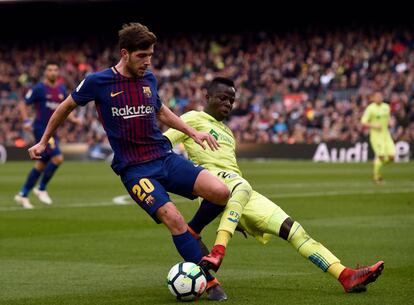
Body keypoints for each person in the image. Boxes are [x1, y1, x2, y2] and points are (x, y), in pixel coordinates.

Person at [27, 23, 229, 300]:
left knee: (221, 192)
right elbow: (65, 107)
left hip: (164, 157)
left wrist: (192, 132)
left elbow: (160, 110)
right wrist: (43, 141)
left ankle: (192, 233)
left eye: (150, 56)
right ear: (125, 53)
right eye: (142, 56)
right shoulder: (98, 82)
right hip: (135, 170)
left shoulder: (149, 79)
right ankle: (210, 280)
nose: (148, 62)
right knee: (173, 218)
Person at [164, 77, 384, 295]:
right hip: (215, 186)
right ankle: (217, 253)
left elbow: (233, 170)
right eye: (222, 98)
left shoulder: (228, 133)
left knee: (294, 230)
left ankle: (345, 275)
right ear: (207, 96)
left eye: (231, 100)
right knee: (241, 185)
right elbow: (164, 144)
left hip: (242, 193)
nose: (227, 104)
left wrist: (236, 213)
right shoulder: (192, 118)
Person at [14, 60, 82, 209]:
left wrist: (75, 120)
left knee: (41, 164)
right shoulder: (39, 88)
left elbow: (64, 109)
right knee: (58, 158)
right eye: (50, 70)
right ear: (45, 72)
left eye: (55, 70)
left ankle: (23, 194)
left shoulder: (61, 90)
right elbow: (23, 104)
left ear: (58, 72)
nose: (53, 72)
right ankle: (41, 188)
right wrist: (26, 120)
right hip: (40, 129)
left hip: (52, 131)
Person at [361, 91, 396, 184]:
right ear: (373, 98)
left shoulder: (386, 107)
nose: (379, 98)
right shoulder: (370, 108)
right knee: (381, 156)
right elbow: (363, 122)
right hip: (376, 136)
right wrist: (373, 125)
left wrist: (390, 122)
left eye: (380, 96)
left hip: (386, 135)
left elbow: (389, 118)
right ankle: (376, 177)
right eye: (377, 97)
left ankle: (376, 163)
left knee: (392, 157)